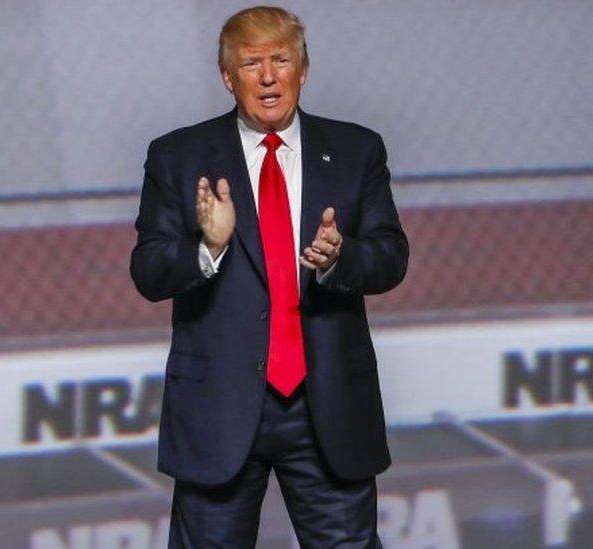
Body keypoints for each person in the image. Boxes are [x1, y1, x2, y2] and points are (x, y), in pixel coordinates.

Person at [130, 6, 408, 547]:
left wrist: (339, 259)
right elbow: (148, 271)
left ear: (303, 70)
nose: (267, 76)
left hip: (325, 406)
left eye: (281, 60)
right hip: (220, 409)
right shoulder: (178, 156)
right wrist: (207, 245)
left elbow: (392, 256)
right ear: (226, 76)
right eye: (251, 62)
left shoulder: (356, 150)